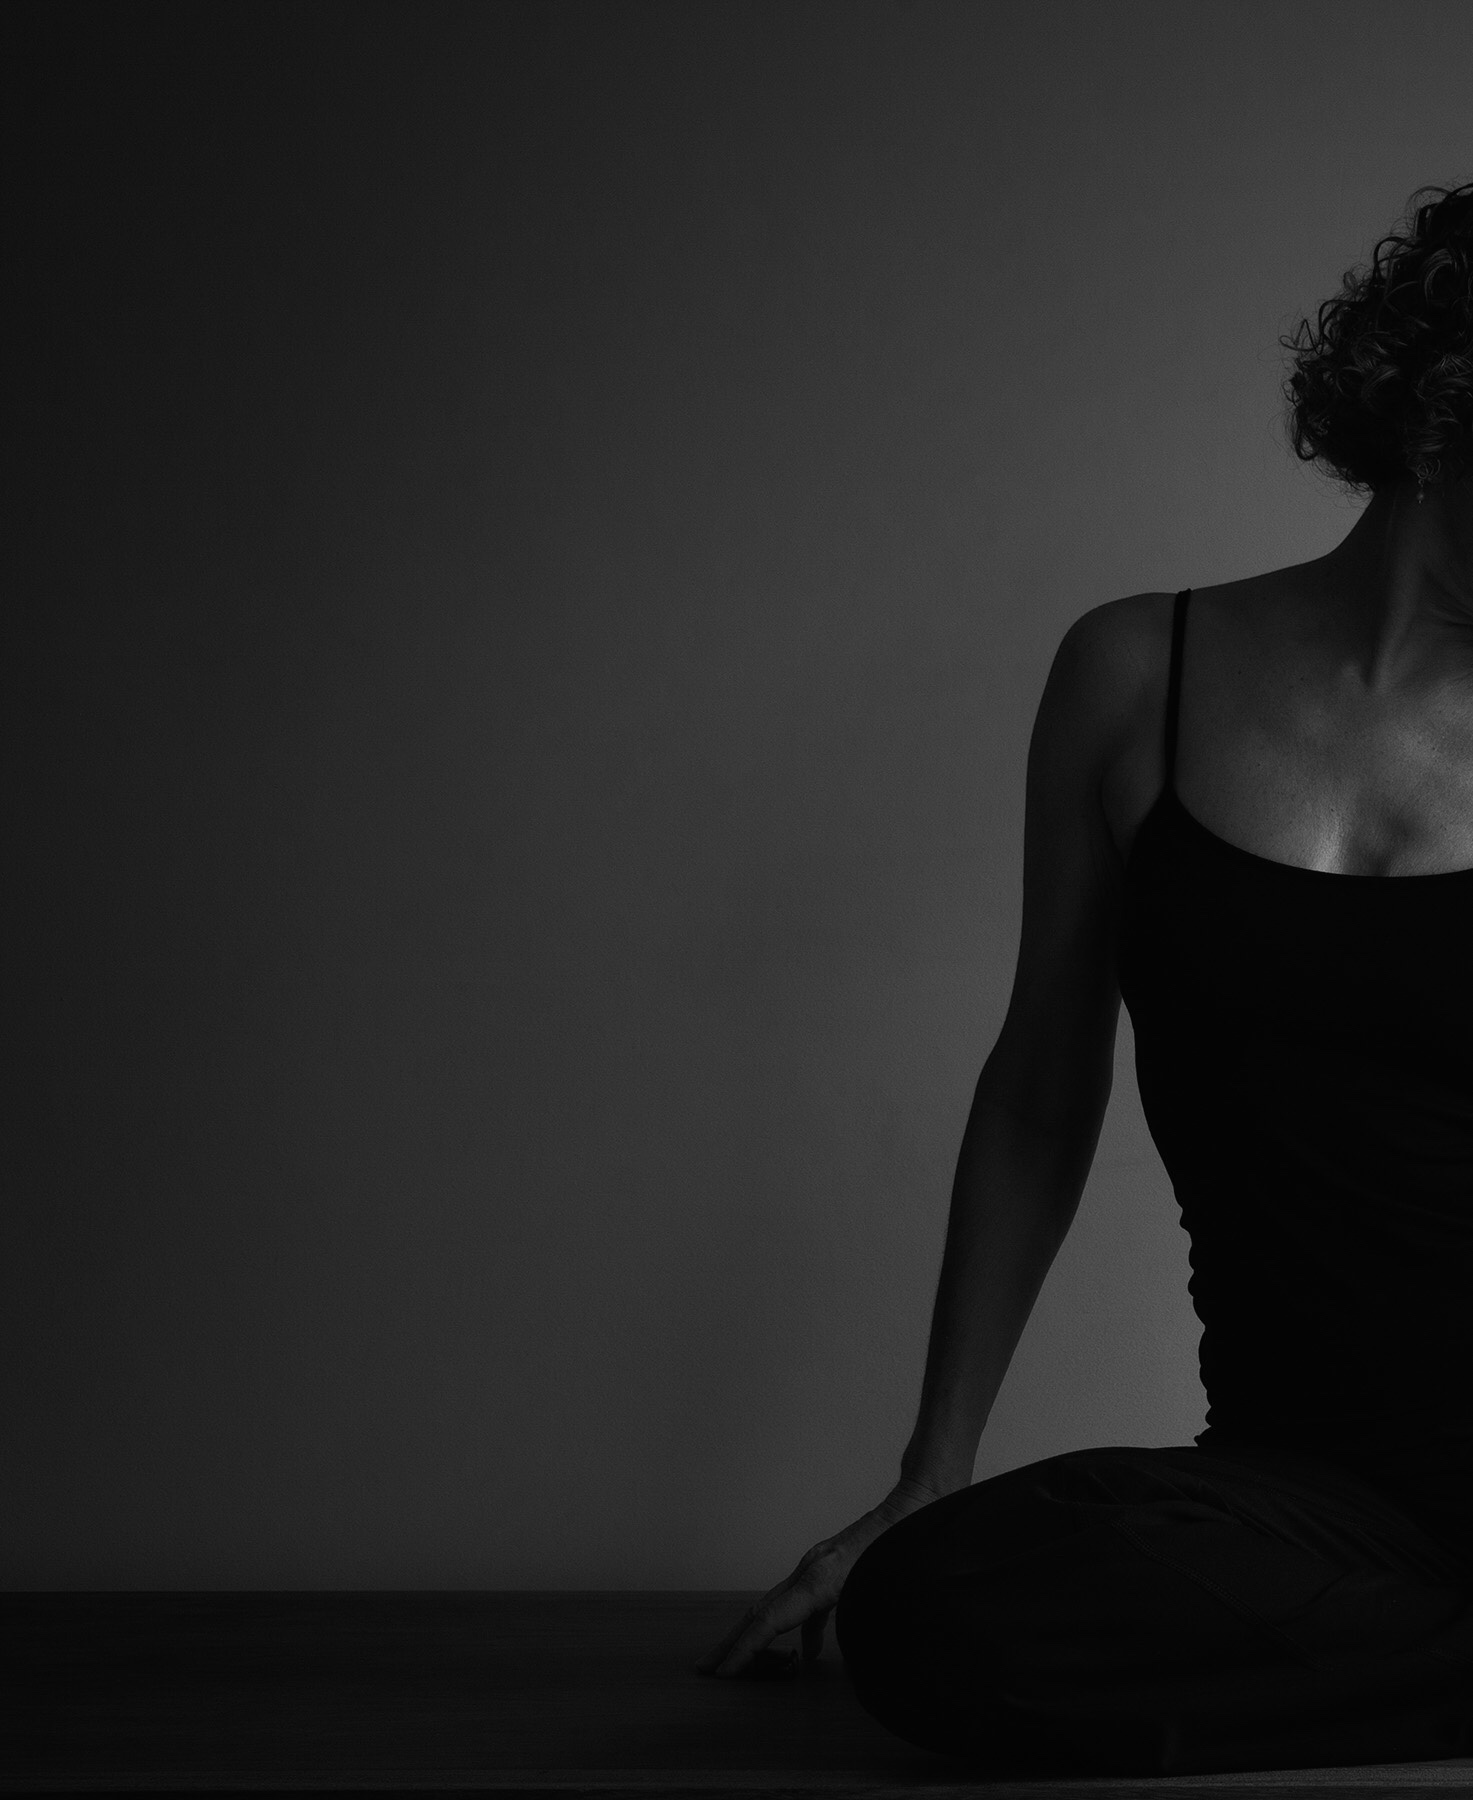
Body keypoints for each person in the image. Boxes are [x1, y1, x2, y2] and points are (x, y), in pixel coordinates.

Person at [694, 180, 1473, 1778]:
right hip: (1302, 1493)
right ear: (1438, 410)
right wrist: (930, 1472)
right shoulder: (1134, 672)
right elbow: (1043, 1081)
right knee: (934, 1608)